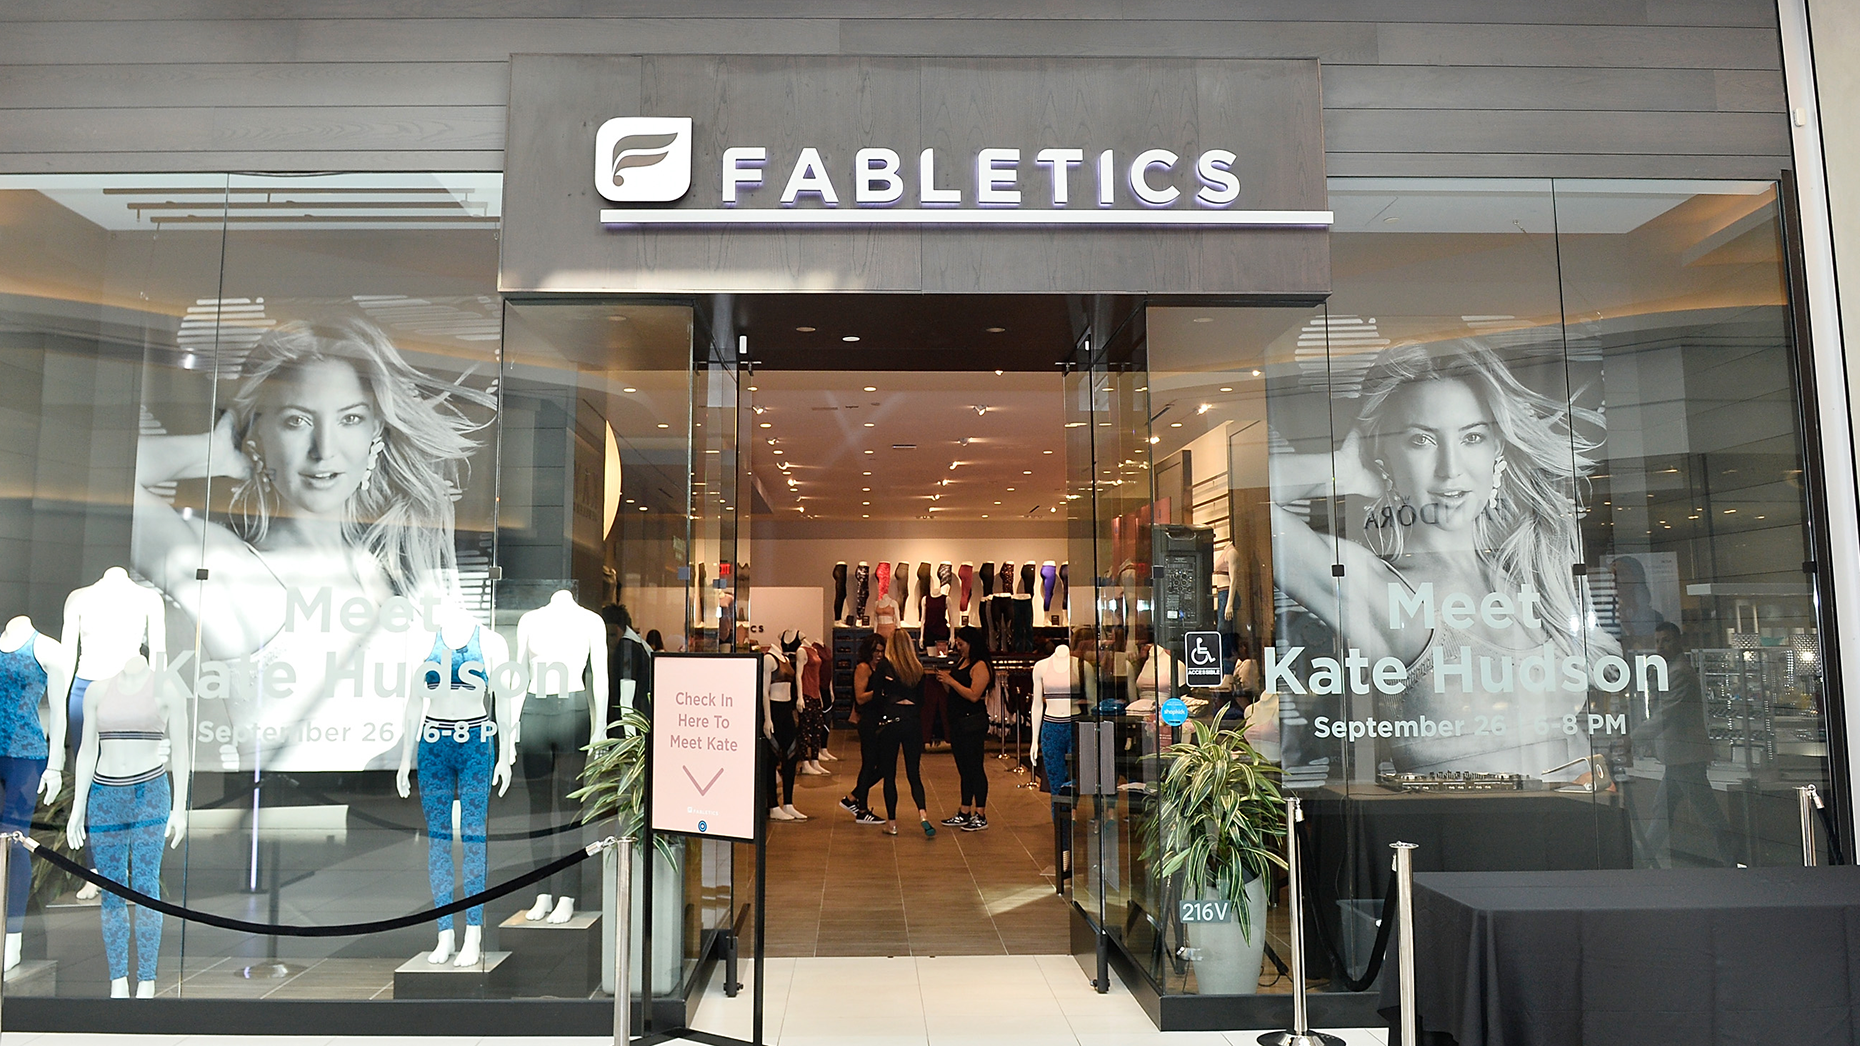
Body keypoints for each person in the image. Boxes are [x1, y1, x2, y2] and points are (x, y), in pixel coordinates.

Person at [130, 318, 492, 770]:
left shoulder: (392, 563)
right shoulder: (230, 570)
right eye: (297, 421)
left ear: (375, 432)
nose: (324, 449)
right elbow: (106, 479)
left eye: (350, 418)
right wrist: (217, 450)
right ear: (257, 432)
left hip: (403, 810)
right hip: (298, 813)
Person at [1269, 339, 1620, 776]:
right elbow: (1258, 511)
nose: (1450, 468)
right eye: (1421, 440)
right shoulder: (1380, 589)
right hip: (1459, 820)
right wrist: (1344, 468)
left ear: (1497, 449)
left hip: (1579, 815)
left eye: (1472, 437)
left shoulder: (1536, 571)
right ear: (1384, 453)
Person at [1633, 623, 1736, 866]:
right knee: (1664, 810)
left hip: (1686, 758)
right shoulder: (1669, 670)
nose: (1660, 646)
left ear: (1678, 641)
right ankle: (1642, 860)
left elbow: (1665, 714)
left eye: (1666, 640)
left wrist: (1632, 739)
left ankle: (1734, 860)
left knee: (1707, 813)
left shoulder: (1679, 672)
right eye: (1657, 641)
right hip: (1679, 757)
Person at [872, 630, 934, 837]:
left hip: (891, 720)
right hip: (912, 722)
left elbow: (876, 697)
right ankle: (923, 815)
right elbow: (922, 701)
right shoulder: (917, 668)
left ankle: (892, 823)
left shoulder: (885, 665)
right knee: (914, 773)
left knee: (889, 775)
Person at [934, 627, 993, 831]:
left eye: (961, 644)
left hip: (972, 722)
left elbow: (974, 695)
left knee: (975, 767)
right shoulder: (962, 661)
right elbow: (955, 691)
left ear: (971, 644)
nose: (958, 648)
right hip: (958, 721)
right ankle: (964, 810)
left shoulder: (980, 666)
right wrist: (945, 682)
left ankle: (981, 813)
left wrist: (951, 681)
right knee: (964, 768)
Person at [839, 634, 886, 824]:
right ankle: (862, 809)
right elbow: (860, 697)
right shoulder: (863, 668)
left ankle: (852, 798)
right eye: (876, 651)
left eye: (882, 651)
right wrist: (880, 691)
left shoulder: (881, 667)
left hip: (880, 720)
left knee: (882, 766)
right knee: (869, 763)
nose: (879, 655)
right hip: (868, 721)